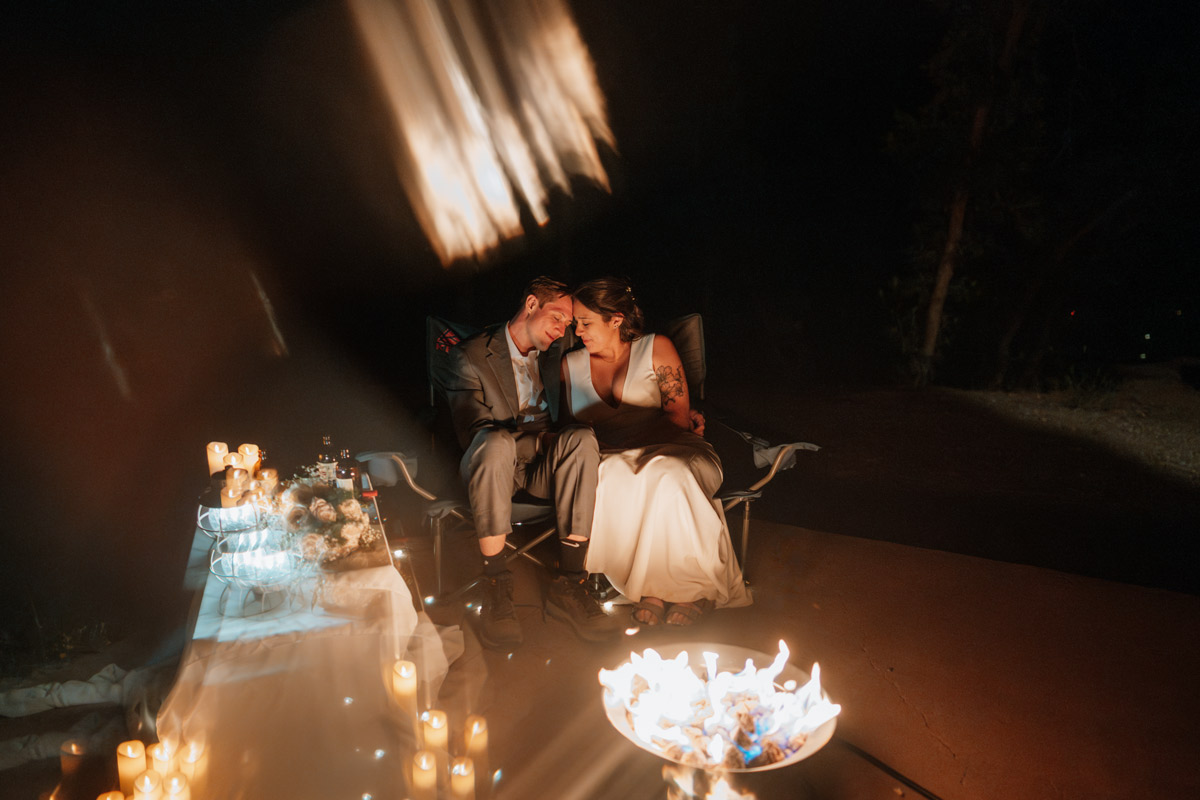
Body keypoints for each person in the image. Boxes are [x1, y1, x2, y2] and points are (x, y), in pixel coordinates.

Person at [440, 277, 622, 649]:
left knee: (582, 439)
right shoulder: (469, 356)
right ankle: (496, 585)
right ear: (531, 304)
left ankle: (570, 584)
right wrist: (540, 439)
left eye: (569, 325)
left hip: (542, 470)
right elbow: (472, 431)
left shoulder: (558, 350)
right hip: (491, 470)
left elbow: (613, 343)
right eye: (557, 318)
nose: (562, 330)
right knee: (494, 442)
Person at [563, 277, 752, 625]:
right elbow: (572, 433)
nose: (578, 331)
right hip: (613, 458)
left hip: (678, 447)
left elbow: (678, 417)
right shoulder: (570, 366)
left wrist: (623, 440)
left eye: (585, 322)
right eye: (575, 323)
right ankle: (649, 587)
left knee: (667, 471)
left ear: (616, 319)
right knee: (611, 472)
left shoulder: (655, 348)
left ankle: (690, 588)